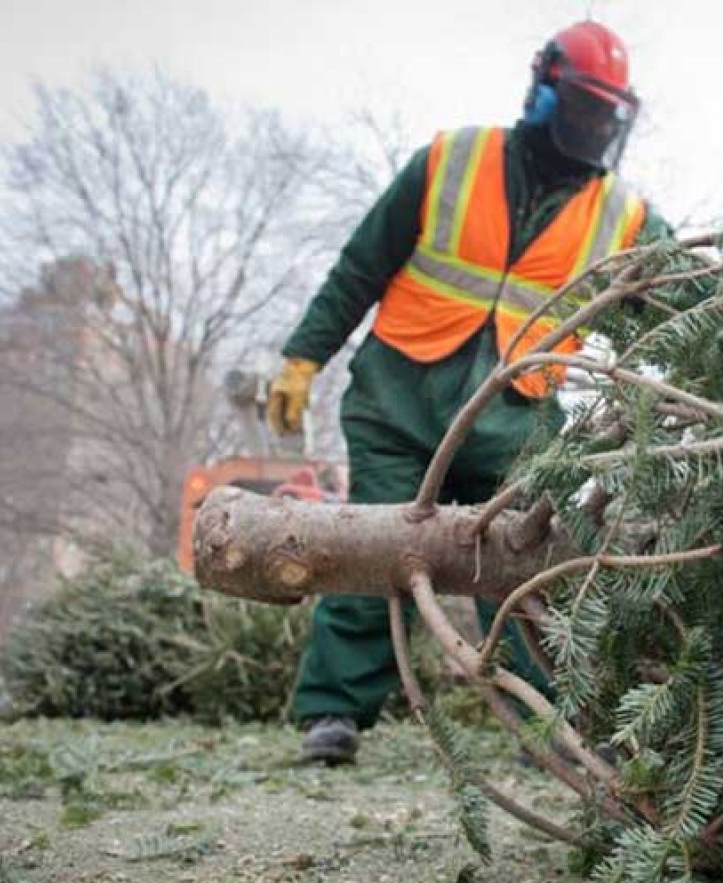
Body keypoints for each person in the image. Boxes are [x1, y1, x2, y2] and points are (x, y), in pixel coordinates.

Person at [266, 20, 671, 764]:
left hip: (515, 422)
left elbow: (682, 302)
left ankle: (543, 714)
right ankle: (335, 714)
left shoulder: (624, 218)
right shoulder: (452, 162)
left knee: (523, 563)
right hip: (398, 398)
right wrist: (303, 358)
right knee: (372, 549)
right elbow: (359, 268)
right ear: (544, 86)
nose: (592, 125)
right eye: (582, 104)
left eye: (605, 113)